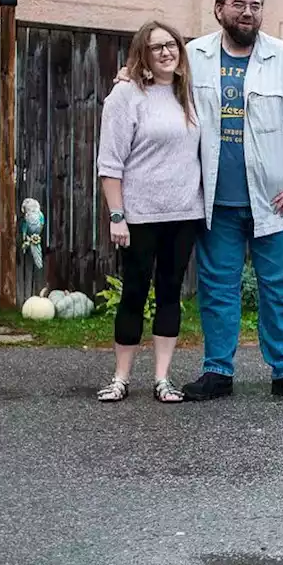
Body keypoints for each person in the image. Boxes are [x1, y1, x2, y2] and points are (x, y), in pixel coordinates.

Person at [179, 0, 283, 402]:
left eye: (255, 6)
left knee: (280, 288)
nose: (248, 13)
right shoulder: (193, 56)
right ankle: (217, 371)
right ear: (219, 9)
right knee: (217, 290)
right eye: (238, 5)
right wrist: (126, 77)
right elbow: (155, 85)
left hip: (276, 202)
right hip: (217, 202)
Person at [95, 20, 204, 403]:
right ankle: (121, 379)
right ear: (143, 53)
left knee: (171, 292)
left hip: (184, 214)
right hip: (139, 217)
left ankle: (162, 379)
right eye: (156, 47)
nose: (165, 52)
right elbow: (110, 162)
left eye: (171, 45)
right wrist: (116, 215)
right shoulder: (125, 96)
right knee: (134, 293)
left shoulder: (189, 94)